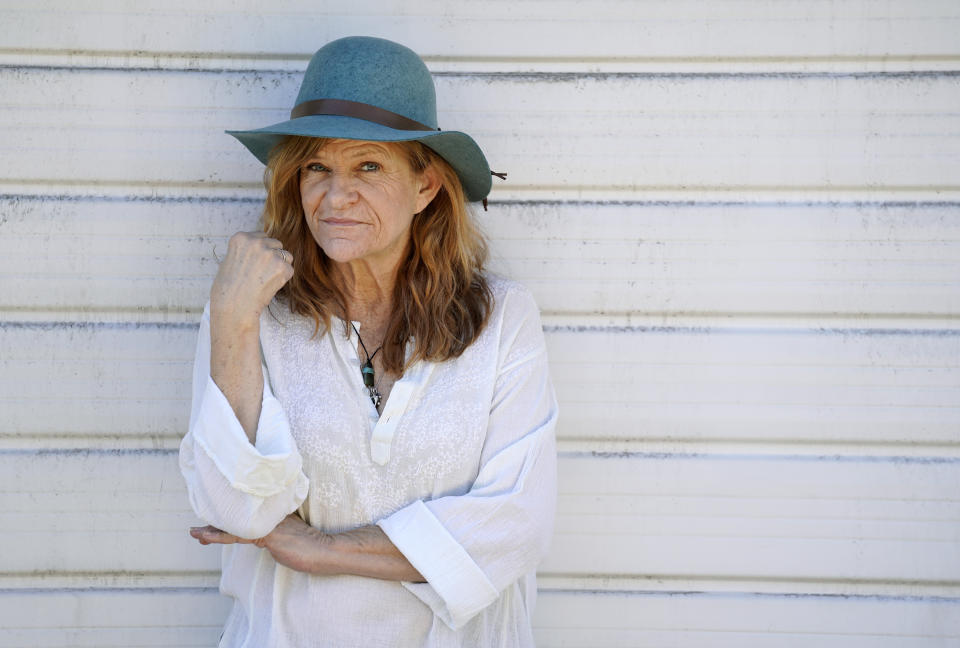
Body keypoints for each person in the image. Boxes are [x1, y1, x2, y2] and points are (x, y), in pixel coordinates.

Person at [178, 36, 558, 646]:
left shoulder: (501, 318)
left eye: (369, 167)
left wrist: (319, 548)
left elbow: (516, 524)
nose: (335, 197)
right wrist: (231, 318)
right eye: (316, 169)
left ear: (426, 188)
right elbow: (234, 509)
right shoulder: (251, 313)